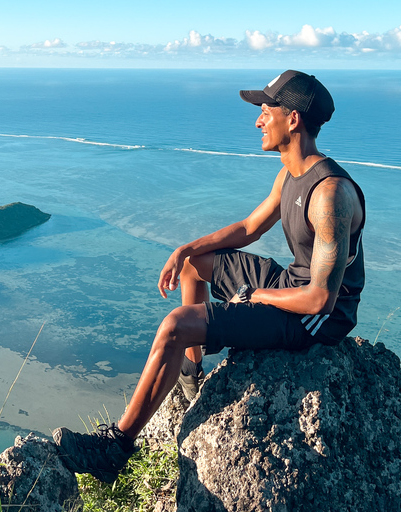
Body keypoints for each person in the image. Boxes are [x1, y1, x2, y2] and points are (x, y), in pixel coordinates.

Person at [53, 70, 366, 484]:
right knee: (193, 266)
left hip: (317, 318)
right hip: (293, 285)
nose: (258, 121)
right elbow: (250, 228)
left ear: (292, 120)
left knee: (175, 325)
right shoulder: (290, 174)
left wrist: (257, 296)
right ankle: (190, 376)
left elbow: (320, 300)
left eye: (265, 111)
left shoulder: (330, 195)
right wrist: (188, 249)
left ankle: (116, 447)